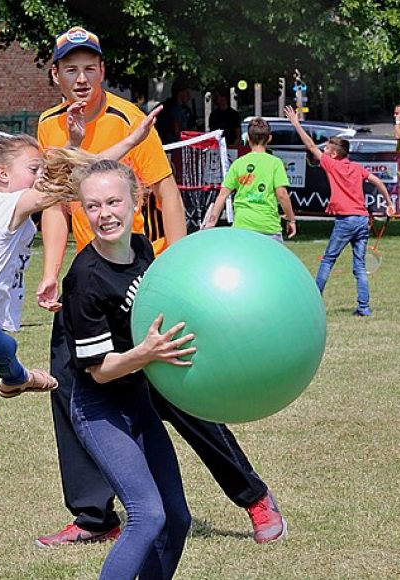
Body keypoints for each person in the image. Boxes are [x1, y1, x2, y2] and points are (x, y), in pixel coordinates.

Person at [35, 26, 285, 548]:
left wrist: (176, 268)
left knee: (176, 396)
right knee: (71, 387)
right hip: (86, 281)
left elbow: (168, 196)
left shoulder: (130, 120)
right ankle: (94, 516)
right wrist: (50, 271)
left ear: (102, 71)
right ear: (55, 75)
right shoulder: (49, 126)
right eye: (70, 69)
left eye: (90, 68)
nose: (81, 78)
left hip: (137, 275)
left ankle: (254, 495)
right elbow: (57, 206)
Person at [0, 122, 151, 579]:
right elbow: (68, 182)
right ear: (4, 175)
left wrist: (77, 149)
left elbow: (64, 177)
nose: (41, 174)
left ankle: (15, 376)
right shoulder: (0, 205)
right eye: (34, 168)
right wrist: (124, 144)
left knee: (4, 348)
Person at [53, 156, 194, 579]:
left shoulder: (143, 248)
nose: (104, 214)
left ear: (136, 201)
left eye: (113, 202)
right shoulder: (84, 279)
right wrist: (146, 353)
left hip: (139, 403)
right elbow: (100, 371)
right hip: (100, 409)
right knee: (147, 515)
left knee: (177, 518)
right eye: (93, 206)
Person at [283, 105, 396, 316]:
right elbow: (378, 182)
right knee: (359, 267)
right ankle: (364, 308)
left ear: (333, 154)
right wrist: (389, 204)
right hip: (362, 220)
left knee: (327, 261)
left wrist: (296, 123)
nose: (322, 151)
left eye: (325, 149)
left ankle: (313, 304)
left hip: (345, 220)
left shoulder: (331, 165)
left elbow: (308, 145)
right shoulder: (356, 167)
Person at [202, 117, 297, 239]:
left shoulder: (238, 163)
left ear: (248, 138)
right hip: (268, 227)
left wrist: (211, 222)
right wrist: (291, 219)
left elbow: (222, 195)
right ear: (269, 138)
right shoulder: (276, 163)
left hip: (243, 227)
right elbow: (282, 195)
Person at [155, 77, 195, 144]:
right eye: (187, 92)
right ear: (180, 93)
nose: (189, 96)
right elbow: (177, 131)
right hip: (174, 144)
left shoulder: (180, 107)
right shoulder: (175, 108)